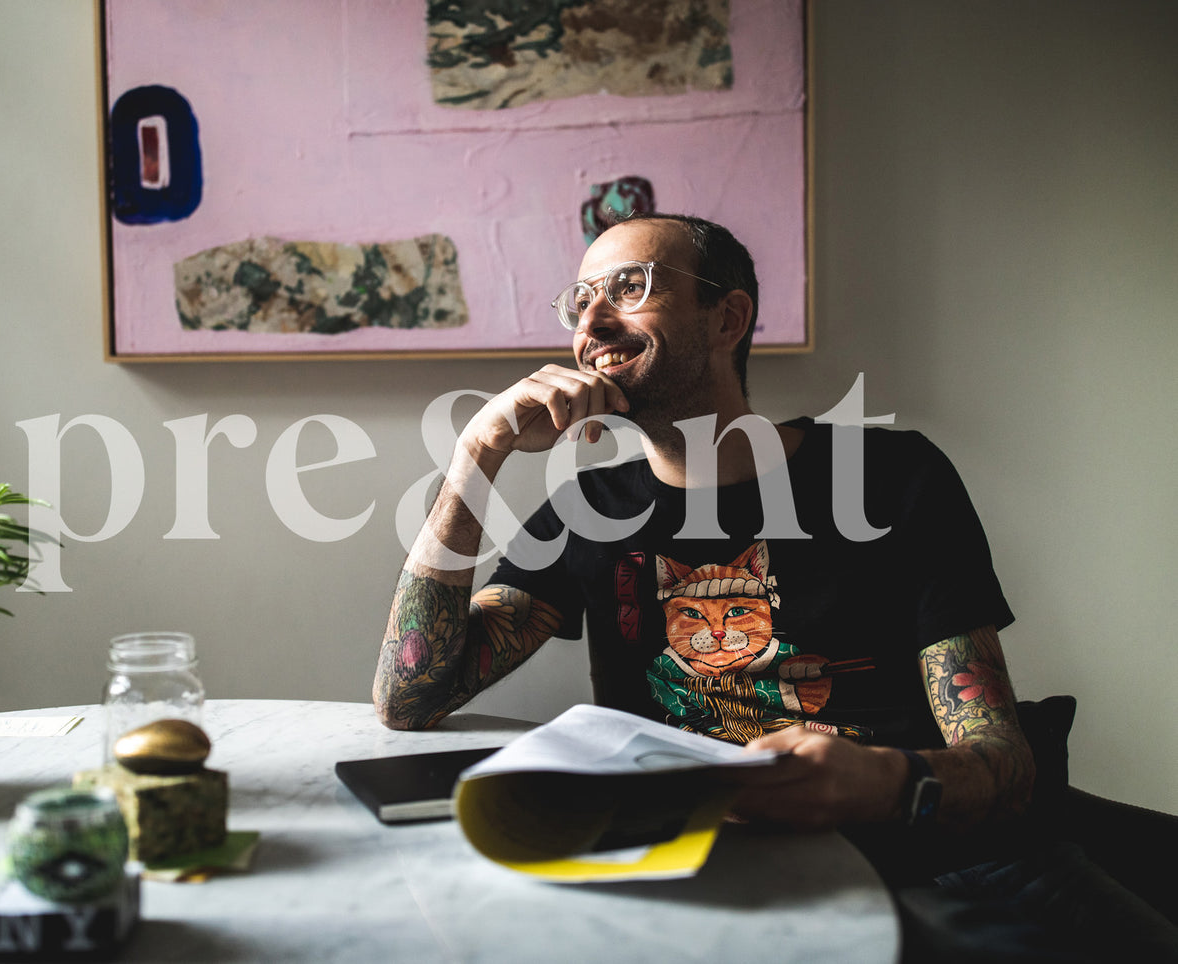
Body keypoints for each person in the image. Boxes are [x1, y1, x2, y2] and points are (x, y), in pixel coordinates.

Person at [372, 212, 1178, 960]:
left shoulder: (890, 479)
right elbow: (408, 698)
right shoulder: (588, 509)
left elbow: (1002, 763)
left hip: (946, 859)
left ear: (727, 319)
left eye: (629, 288)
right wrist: (476, 457)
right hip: (706, 877)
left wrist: (883, 781)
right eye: (579, 300)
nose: (589, 324)